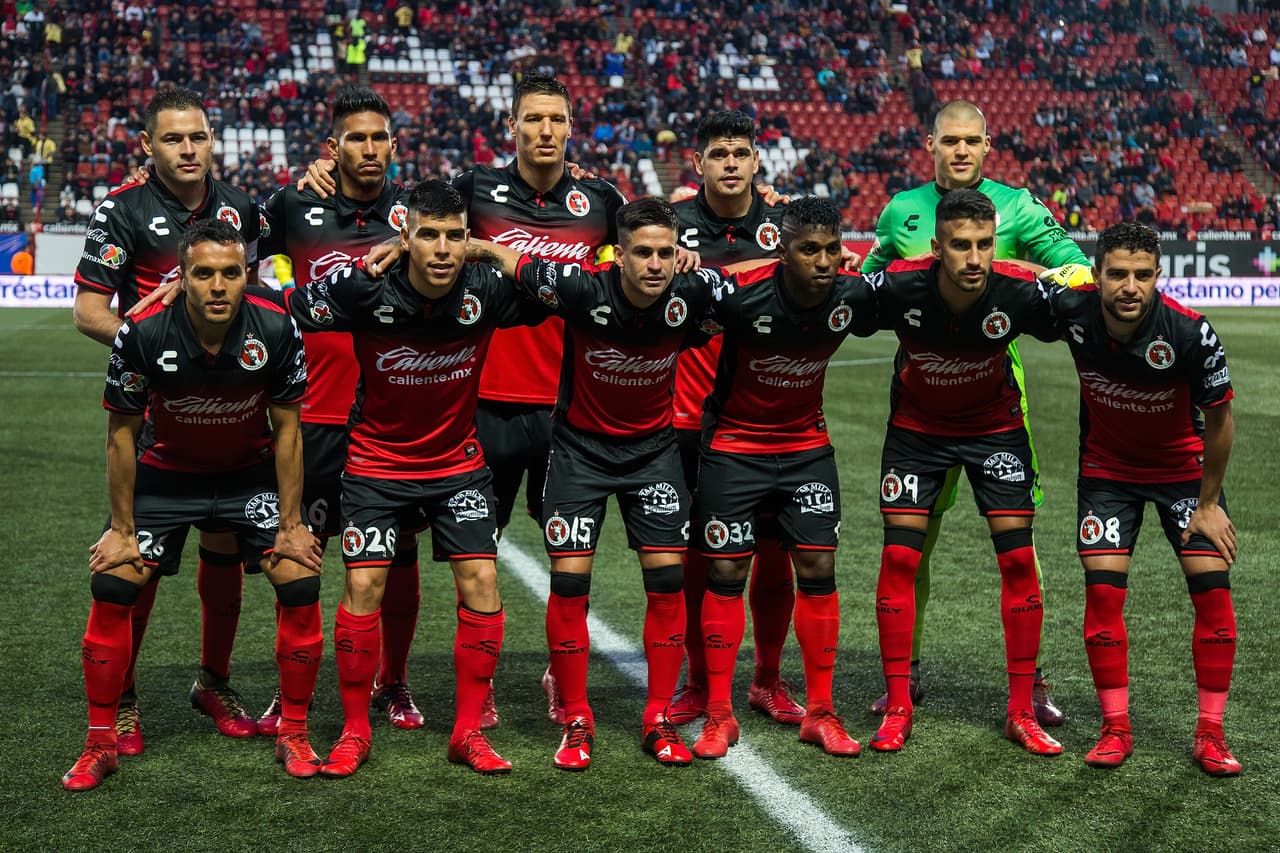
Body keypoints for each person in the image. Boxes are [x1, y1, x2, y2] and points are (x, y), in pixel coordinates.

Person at [302, 74, 631, 729]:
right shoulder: (476, 187)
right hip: (476, 403)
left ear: (572, 126)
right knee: (463, 552)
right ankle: (406, 682)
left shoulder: (601, 199)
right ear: (511, 126)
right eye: (532, 119)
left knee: (572, 555)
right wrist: (327, 172)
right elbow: (420, 215)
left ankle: (561, 680)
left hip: (567, 406)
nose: (545, 131)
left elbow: (653, 241)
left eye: (556, 120)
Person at [285, 179, 546, 777]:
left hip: (458, 465)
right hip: (376, 464)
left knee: (481, 581)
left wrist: (492, 252)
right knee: (365, 589)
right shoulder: (364, 286)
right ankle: (354, 731)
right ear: (405, 238)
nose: (442, 249)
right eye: (428, 235)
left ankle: (467, 731)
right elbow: (284, 307)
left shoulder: (486, 288)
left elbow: (563, 290)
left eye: (455, 237)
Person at [61, 220, 324, 791]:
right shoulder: (143, 331)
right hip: (166, 474)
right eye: (203, 274)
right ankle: (99, 741)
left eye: (231, 273)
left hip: (244, 472)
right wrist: (123, 529)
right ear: (182, 277)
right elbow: (122, 436)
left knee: (299, 577)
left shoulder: (277, 327)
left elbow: (288, 434)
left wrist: (293, 524)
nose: (218, 285)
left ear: (246, 275)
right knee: (113, 581)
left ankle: (295, 733)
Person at [469, 197, 723, 771]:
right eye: (642, 253)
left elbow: (756, 275)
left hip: (654, 454)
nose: (655, 265)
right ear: (619, 255)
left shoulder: (693, 295)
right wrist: (470, 246)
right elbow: (509, 261)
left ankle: (657, 716)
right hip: (579, 453)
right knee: (569, 585)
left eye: (665, 253)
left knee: (666, 581)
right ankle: (577, 716)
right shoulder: (583, 289)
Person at [861, 100, 1088, 726]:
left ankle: (1032, 679)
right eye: (949, 141)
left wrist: (1019, 275)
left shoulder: (1017, 206)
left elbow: (1078, 268)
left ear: (988, 145)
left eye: (971, 142)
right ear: (929, 143)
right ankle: (902, 677)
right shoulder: (901, 210)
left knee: (1019, 546)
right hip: (919, 396)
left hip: (995, 402)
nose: (960, 151)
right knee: (913, 546)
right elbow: (868, 282)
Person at [72, 88, 263, 755]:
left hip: (236, 416)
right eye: (174, 139)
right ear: (148, 146)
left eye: (199, 137)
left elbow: (260, 297)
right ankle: (122, 700)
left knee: (224, 547)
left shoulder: (242, 208)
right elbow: (90, 312)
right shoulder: (122, 210)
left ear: (213, 141)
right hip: (159, 417)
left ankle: (213, 681)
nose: (188, 149)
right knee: (138, 561)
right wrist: (153, 346)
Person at [253, 87, 424, 735]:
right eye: (357, 137)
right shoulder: (293, 204)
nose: (370, 149)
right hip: (312, 415)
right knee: (299, 556)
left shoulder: (418, 214)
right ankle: (289, 688)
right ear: (333, 146)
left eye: (381, 137)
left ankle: (395, 680)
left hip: (391, 418)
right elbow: (236, 237)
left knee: (395, 557)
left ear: (395, 145)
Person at [1040, 222, 1240, 775]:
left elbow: (1221, 419)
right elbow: (1019, 283)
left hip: (1184, 476)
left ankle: (1211, 734)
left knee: (1213, 599)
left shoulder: (1188, 332)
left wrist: (1208, 503)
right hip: (1107, 474)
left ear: (1158, 276)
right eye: (1118, 274)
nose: (1130, 286)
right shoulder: (1072, 310)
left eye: (1143, 275)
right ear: (1096, 275)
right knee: (1103, 600)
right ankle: (1115, 729)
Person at [691, 196, 877, 759]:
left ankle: (820, 712)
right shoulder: (739, 293)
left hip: (805, 449)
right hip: (733, 447)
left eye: (828, 249)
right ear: (782, 250)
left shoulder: (852, 296)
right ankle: (718, 714)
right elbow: (677, 300)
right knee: (726, 570)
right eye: (807, 249)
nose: (821, 261)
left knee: (818, 567)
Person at [666, 110, 803, 728]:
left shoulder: (782, 224)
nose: (728, 162)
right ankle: (698, 681)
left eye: (739, 152)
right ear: (697, 164)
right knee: (702, 554)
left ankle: (768, 680)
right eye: (717, 152)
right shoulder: (671, 227)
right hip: (687, 420)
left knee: (776, 554)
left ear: (755, 162)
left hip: (770, 421)